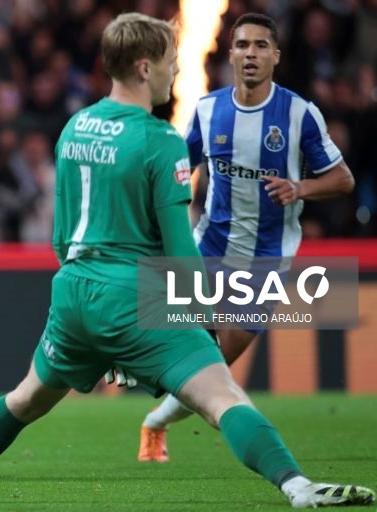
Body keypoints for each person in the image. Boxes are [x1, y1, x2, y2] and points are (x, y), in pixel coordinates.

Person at [0, 13, 374, 508]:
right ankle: (298, 487)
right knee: (223, 398)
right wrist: (200, 324)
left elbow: (60, 236)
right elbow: (180, 252)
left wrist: (98, 324)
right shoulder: (160, 141)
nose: (176, 72)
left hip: (73, 290)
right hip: (133, 292)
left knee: (25, 399)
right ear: (143, 67)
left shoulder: (75, 126)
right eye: (172, 62)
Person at [138, 13, 356, 463]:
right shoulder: (208, 109)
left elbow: (343, 179)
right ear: (231, 54)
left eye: (260, 45)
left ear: (275, 56)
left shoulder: (298, 114)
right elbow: (180, 167)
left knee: (215, 364)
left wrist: (301, 188)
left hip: (265, 260)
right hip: (209, 246)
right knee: (170, 342)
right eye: (242, 45)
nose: (250, 53)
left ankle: (156, 422)